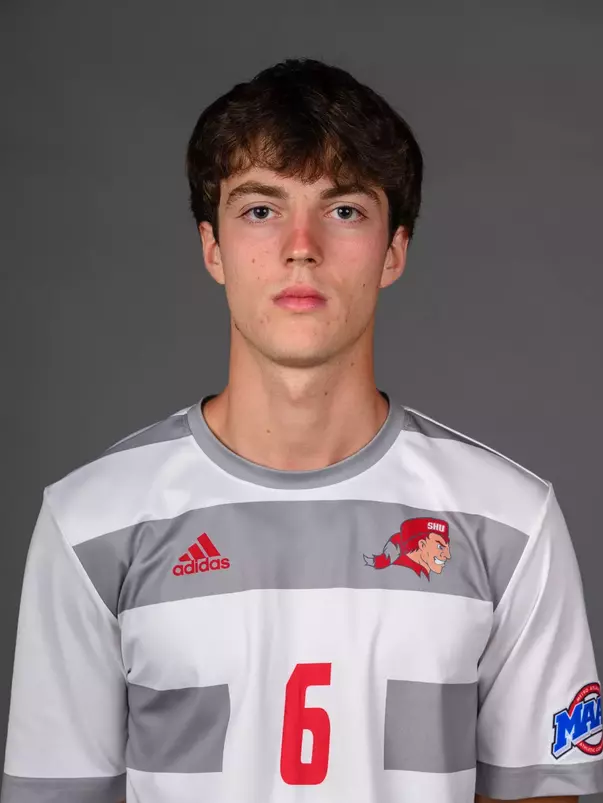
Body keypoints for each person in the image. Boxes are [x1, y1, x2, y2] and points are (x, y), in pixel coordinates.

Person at [1, 57, 601, 803]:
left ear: (394, 251)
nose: (300, 245)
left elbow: (536, 794)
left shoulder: (511, 523)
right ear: (212, 247)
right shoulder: (88, 524)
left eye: (343, 209)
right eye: (260, 209)